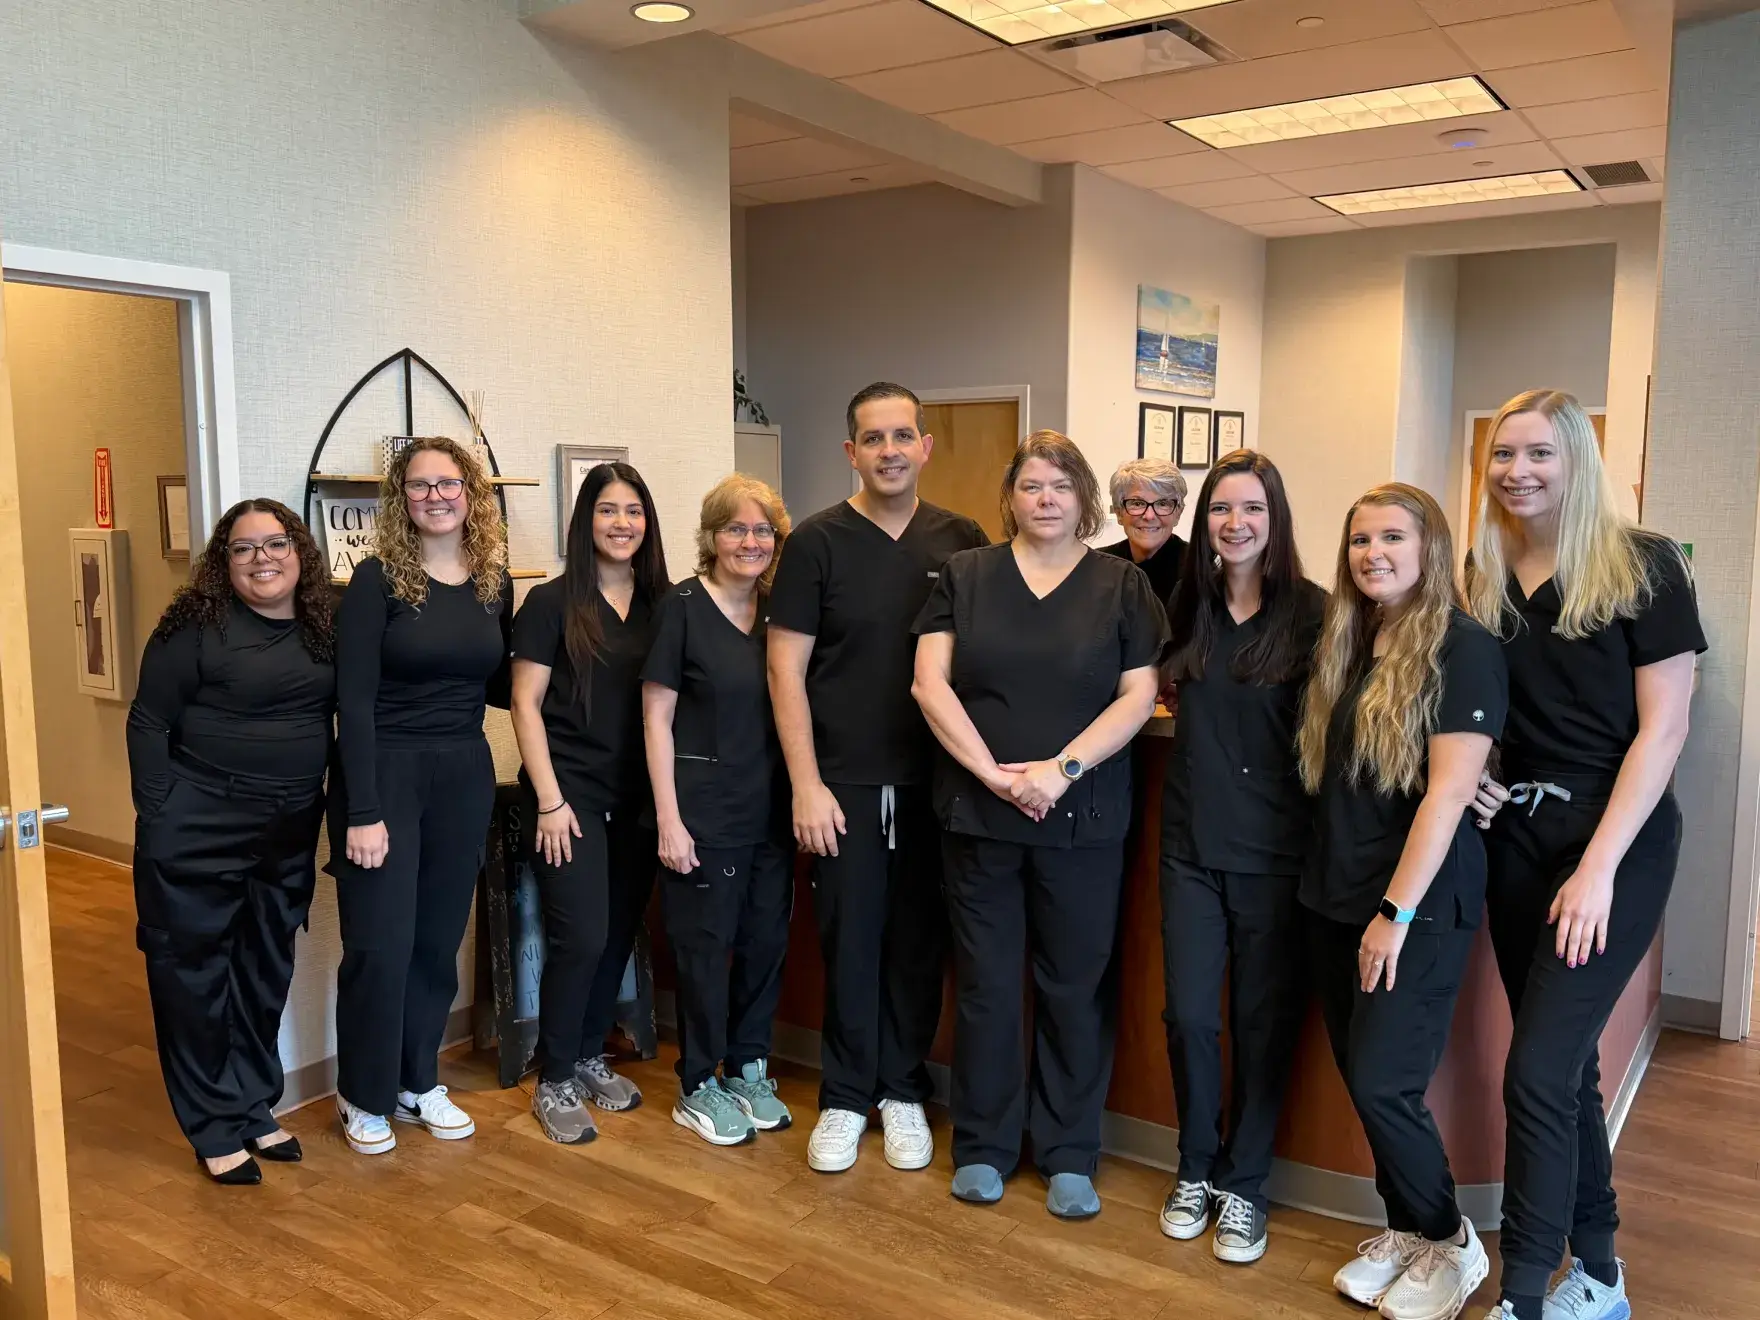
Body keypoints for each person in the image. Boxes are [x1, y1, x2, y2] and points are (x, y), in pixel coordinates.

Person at [1465, 392, 1702, 1320]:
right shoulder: (1484, 572)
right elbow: (1488, 710)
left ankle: (1523, 1295)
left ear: (1579, 462)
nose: (1518, 471)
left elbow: (1665, 730)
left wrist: (1598, 866)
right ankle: (1599, 1273)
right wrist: (1484, 769)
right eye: (1502, 455)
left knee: (1534, 1072)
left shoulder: (1643, 565)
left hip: (1619, 840)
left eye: (1539, 454)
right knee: (1563, 1072)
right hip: (1518, 838)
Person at [911, 430, 1167, 1219]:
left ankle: (1067, 1153)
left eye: (1060, 485)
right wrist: (991, 774)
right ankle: (984, 1146)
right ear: (1010, 498)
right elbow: (929, 683)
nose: (1046, 498)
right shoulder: (965, 574)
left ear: (1084, 499)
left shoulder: (1121, 586)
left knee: (1073, 987)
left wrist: (1059, 772)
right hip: (979, 815)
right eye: (1030, 485)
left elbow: (1137, 695)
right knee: (988, 987)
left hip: (1081, 815)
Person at [767, 382, 987, 1175]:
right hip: (843, 787)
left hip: (938, 786)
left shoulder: (961, 542)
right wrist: (806, 783)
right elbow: (784, 670)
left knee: (919, 947)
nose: (890, 450)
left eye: (903, 435)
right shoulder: (816, 543)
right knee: (849, 943)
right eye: (873, 437)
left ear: (926, 446)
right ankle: (844, 1096)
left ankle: (901, 1091)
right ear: (850, 452)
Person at [1297, 482, 1506, 1320]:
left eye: (1392, 537)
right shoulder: (1351, 639)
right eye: (1358, 540)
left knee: (1387, 1083)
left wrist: (1396, 915)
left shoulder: (1464, 647)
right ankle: (1409, 1233)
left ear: (1430, 550)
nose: (1373, 553)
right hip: (1332, 896)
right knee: (1362, 1078)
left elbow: (1449, 795)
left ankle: (1450, 1240)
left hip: (1413, 904)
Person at [127, 499, 335, 1185]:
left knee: (263, 969)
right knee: (194, 977)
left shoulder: (322, 623)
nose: (261, 559)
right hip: (199, 827)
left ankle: (250, 1106)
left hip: (288, 829)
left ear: (299, 551)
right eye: (242, 549)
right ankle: (211, 1126)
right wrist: (160, 813)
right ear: (224, 563)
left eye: (275, 543)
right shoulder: (195, 627)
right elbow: (148, 722)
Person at [1155, 450, 1324, 1262]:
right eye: (1222, 508)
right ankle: (1195, 1165)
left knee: (1261, 1024)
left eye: (1252, 508)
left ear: (1275, 518)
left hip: (1276, 853)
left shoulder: (1317, 616)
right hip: (1188, 845)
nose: (1236, 523)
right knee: (1188, 1015)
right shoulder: (1186, 607)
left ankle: (1245, 1183)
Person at [329, 436, 514, 1156]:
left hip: (463, 773)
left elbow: (503, 686)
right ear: (400, 500)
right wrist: (364, 810)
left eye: (448, 482)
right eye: (418, 485)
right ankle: (362, 1094)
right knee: (380, 944)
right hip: (385, 775)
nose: (435, 495)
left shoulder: (493, 584)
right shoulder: (376, 581)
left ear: (471, 493)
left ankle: (414, 1079)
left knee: (437, 943)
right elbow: (355, 701)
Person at [511, 462, 668, 1145]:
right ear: (585, 522)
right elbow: (524, 703)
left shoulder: (664, 603)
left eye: (634, 510)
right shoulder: (551, 602)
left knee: (615, 937)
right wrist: (547, 801)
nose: (622, 523)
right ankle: (554, 1081)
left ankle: (585, 1056)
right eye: (608, 510)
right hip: (567, 797)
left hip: (636, 799)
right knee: (579, 936)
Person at [643, 474, 795, 1147]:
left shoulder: (779, 613)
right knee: (706, 950)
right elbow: (655, 718)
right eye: (736, 528)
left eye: (763, 530)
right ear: (711, 537)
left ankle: (749, 1066)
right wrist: (669, 820)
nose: (750, 541)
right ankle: (699, 1081)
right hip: (702, 810)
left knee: (765, 942)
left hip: (771, 811)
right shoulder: (680, 606)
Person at [1102, 458, 1188, 604]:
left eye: (1162, 503)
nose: (1149, 516)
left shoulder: (1200, 568)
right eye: (1137, 503)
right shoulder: (1098, 567)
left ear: (1178, 514)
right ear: (1119, 513)